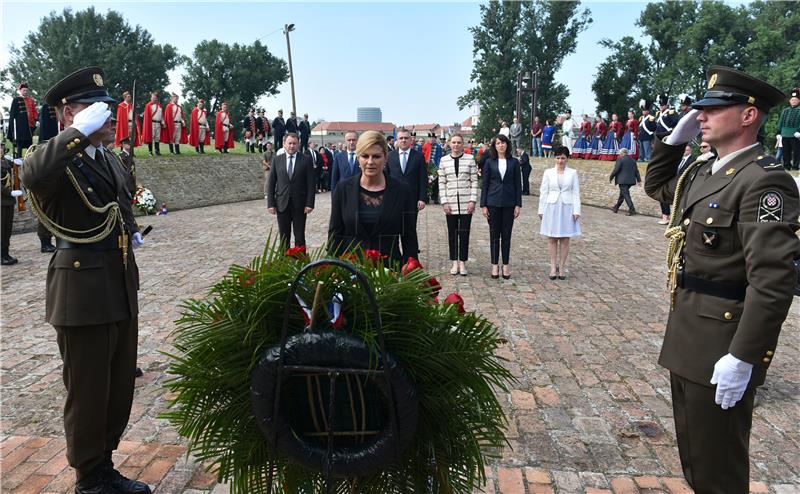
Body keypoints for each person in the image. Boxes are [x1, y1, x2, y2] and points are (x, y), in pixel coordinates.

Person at [644, 65, 799, 494]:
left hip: (721, 347)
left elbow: (772, 281)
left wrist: (744, 358)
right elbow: (657, 187)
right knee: (697, 462)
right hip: (687, 337)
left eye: (714, 108)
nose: (701, 116)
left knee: (720, 473)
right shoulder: (702, 171)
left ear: (749, 116)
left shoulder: (765, 182)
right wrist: (672, 141)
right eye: (700, 110)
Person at [21, 66, 151, 494]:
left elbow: (120, 203)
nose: (108, 116)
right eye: (95, 109)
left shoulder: (107, 157)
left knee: (116, 390)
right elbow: (33, 173)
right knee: (88, 391)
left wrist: (131, 232)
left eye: (108, 109)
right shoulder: (60, 158)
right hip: (81, 290)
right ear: (67, 116)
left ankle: (104, 463)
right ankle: (88, 477)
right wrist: (76, 133)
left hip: (117, 284)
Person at [328, 131, 419, 264]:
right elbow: (335, 234)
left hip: (389, 273)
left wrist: (411, 271)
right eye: (365, 156)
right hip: (351, 271)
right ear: (358, 158)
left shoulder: (402, 191)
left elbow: (409, 237)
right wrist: (330, 269)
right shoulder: (343, 189)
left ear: (385, 158)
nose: (370, 162)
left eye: (376, 156)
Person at [480, 134, 522, 280]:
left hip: (509, 203)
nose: (501, 145)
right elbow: (484, 184)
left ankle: (505, 265)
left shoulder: (514, 162)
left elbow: (518, 184)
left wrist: (518, 204)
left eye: (503, 142)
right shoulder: (489, 162)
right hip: (492, 203)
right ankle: (494, 265)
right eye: (498, 143)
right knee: (494, 235)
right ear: (494, 146)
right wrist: (483, 205)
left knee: (506, 235)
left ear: (507, 145)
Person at [538, 146, 581, 280]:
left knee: (564, 238)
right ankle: (552, 266)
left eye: (563, 158)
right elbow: (543, 191)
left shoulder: (572, 173)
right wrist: (541, 209)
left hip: (567, 207)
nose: (560, 161)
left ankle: (561, 267)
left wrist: (577, 210)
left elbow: (576, 192)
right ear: (554, 158)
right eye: (558, 158)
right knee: (551, 237)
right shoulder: (548, 172)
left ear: (567, 159)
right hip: (552, 206)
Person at [266, 133, 315, 247]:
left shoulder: (306, 160)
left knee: (299, 236)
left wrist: (310, 203)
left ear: (298, 145)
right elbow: (271, 183)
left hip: (300, 205)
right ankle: (283, 262)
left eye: (294, 143)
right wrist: (270, 204)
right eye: (289, 143)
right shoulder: (277, 160)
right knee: (284, 237)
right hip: (282, 204)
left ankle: (301, 262)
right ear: (284, 144)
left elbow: (311, 184)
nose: (292, 146)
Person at [439, 134, 478, 276]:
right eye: (453, 142)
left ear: (463, 144)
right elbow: (442, 182)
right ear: (449, 144)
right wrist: (444, 201)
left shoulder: (470, 159)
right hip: (450, 203)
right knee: (452, 233)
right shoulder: (443, 160)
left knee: (464, 233)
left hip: (466, 202)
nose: (456, 145)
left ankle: (462, 262)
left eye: (459, 142)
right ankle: (454, 261)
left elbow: (474, 181)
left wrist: (473, 200)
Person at [387, 128, 428, 225]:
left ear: (411, 140)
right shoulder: (390, 156)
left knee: (410, 230)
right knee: (393, 228)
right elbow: (386, 177)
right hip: (394, 198)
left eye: (406, 138)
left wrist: (422, 198)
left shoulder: (419, 156)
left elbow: (423, 179)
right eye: (401, 138)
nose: (403, 140)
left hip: (412, 199)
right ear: (397, 140)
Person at [1, 148, 24, 265]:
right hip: (2, 200)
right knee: (1, 229)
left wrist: (16, 161)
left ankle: (6, 252)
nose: (1, 150)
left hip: (8, 201)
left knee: (7, 228)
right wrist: (9, 192)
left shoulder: (4, 161)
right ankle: (1, 255)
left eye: (1, 148)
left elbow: (14, 167)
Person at [7, 83, 38, 158]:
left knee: (29, 144)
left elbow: (34, 111)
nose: (25, 92)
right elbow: (13, 114)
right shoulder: (16, 100)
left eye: (26, 90)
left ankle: (31, 159)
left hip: (30, 125)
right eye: (24, 90)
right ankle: (19, 160)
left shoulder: (31, 100)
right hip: (20, 127)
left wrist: (35, 119)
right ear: (20, 91)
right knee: (20, 144)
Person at [609, 148, 641, 215]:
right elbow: (636, 171)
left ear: (623, 153)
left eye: (620, 153)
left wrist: (611, 177)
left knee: (626, 195)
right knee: (622, 194)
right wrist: (639, 180)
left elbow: (616, 170)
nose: (619, 155)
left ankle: (632, 210)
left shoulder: (620, 159)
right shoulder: (633, 160)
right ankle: (616, 207)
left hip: (622, 180)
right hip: (630, 181)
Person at [776, 87, 800, 170]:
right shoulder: (785, 110)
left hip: (795, 134)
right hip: (784, 133)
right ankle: (787, 165)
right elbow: (781, 122)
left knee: (796, 152)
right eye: (792, 100)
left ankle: (796, 166)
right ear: (789, 101)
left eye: (795, 100)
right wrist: (778, 133)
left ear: (798, 101)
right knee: (786, 151)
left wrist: (799, 131)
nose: (793, 101)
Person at [142, 91, 166, 156]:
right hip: (151, 123)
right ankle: (150, 151)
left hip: (158, 123)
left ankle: (157, 151)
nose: (154, 98)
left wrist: (163, 122)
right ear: (151, 98)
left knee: (157, 137)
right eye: (153, 97)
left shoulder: (160, 106)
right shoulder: (148, 105)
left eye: (155, 97)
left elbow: (162, 115)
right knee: (151, 137)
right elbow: (147, 116)